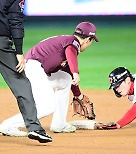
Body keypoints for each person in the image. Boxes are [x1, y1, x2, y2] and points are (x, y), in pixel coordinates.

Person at [0, 21, 98, 136]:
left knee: (65, 79)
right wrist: (75, 72)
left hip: (36, 69)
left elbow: (69, 75)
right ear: (88, 39)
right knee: (47, 106)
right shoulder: (72, 42)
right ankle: (8, 125)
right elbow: (71, 52)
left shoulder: (66, 42)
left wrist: (78, 95)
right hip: (33, 68)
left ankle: (59, 123)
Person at [0, 0, 52, 143]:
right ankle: (35, 128)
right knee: (21, 83)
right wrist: (18, 51)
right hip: (1, 44)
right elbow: (15, 19)